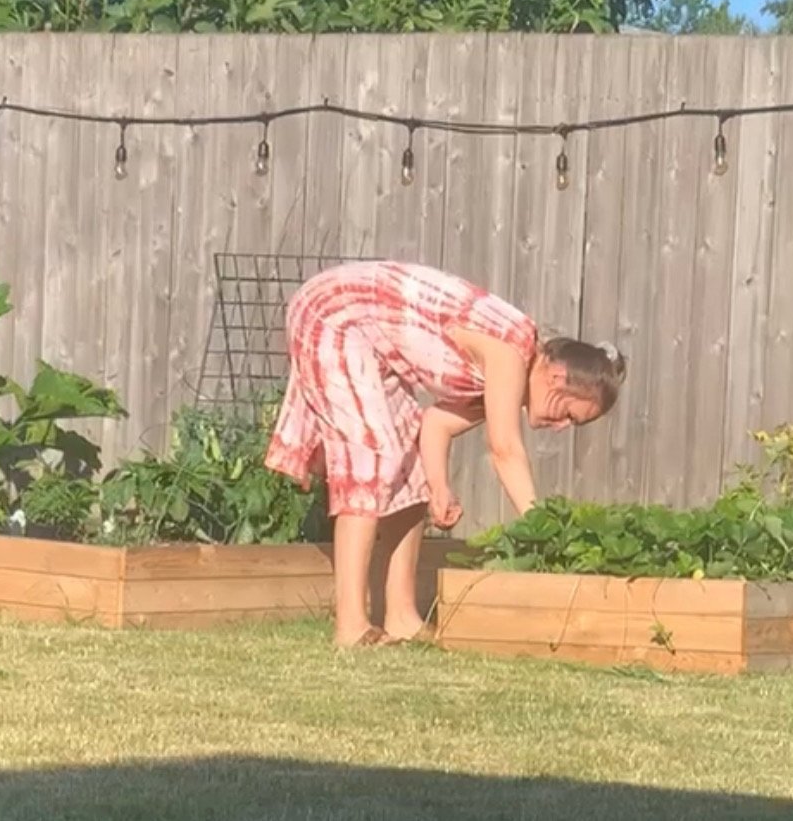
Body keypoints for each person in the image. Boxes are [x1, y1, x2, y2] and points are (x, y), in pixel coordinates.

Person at [264, 260, 626, 648]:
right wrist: (542, 526)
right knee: (373, 454)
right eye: (568, 414)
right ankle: (351, 626)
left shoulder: (506, 376)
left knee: (407, 460)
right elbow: (504, 448)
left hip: (371, 344)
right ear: (557, 378)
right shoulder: (509, 353)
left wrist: (438, 487)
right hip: (334, 314)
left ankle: (401, 616)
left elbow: (436, 425)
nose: (561, 426)